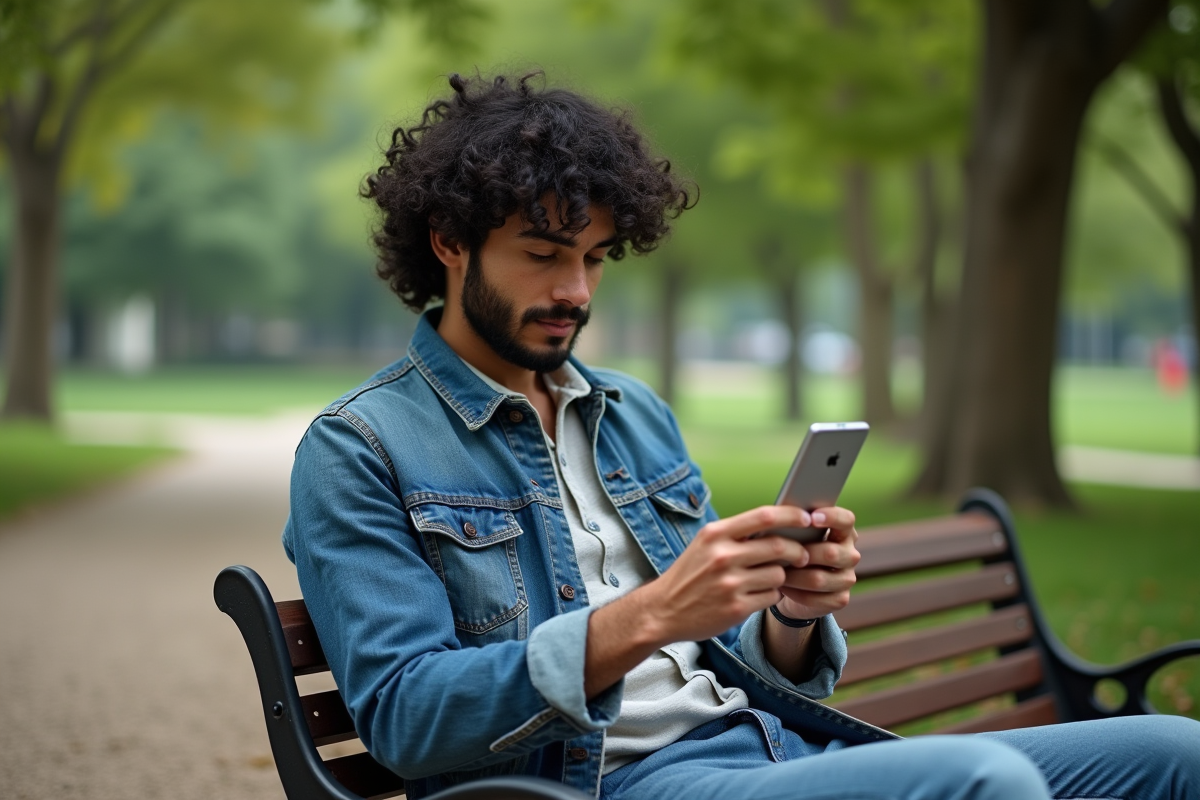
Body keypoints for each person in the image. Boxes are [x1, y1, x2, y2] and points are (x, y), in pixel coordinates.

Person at [283, 72, 1200, 800]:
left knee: (1175, 753)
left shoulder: (631, 412)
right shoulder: (361, 447)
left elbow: (748, 665)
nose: (578, 290)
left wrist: (794, 612)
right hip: (607, 782)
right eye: (543, 252)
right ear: (448, 241)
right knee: (984, 782)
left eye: (595, 257)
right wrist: (651, 614)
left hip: (772, 748)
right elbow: (405, 718)